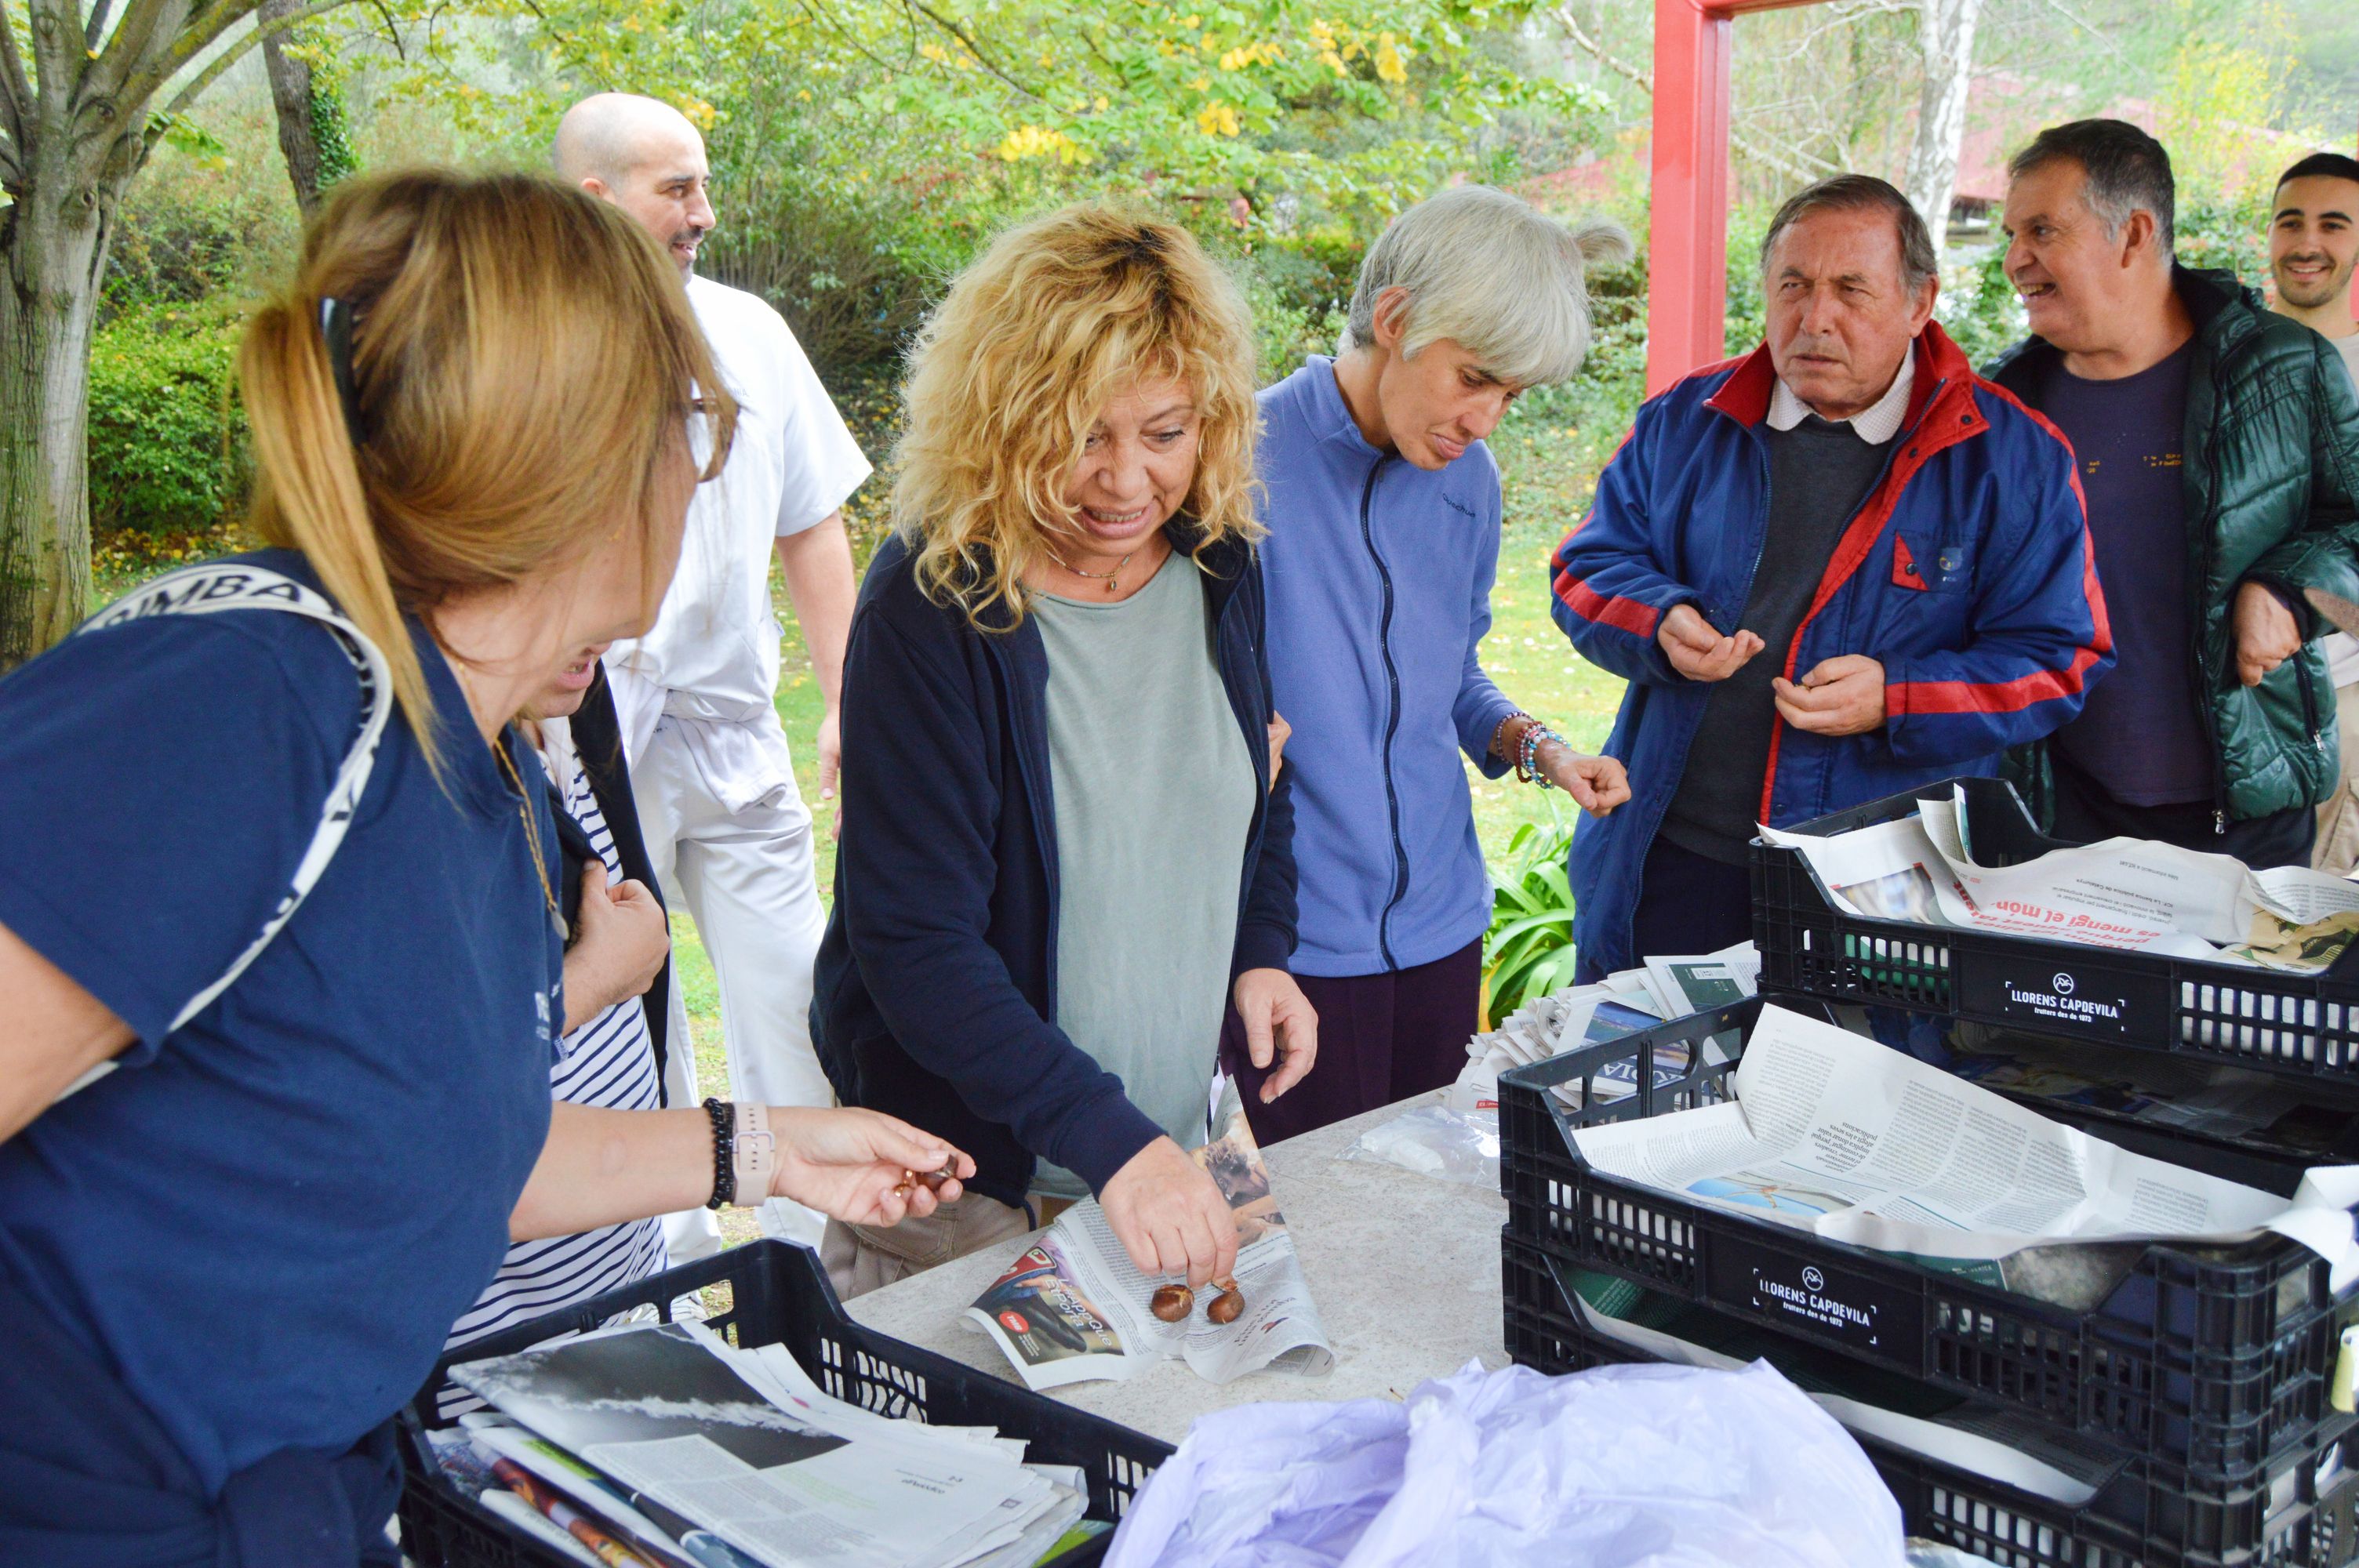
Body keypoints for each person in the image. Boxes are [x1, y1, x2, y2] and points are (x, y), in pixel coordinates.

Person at [0, 169, 970, 1567]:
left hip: (304, 1500)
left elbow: (439, 1153)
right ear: (593, 455)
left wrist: (759, 1146)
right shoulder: (251, 699)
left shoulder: (486, 751)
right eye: (692, 432)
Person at [811, 206, 1318, 1298]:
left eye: (1166, 433)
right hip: (972, 1186)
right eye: (1082, 433)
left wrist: (1262, 949)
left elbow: (1255, 774)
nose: (1127, 482)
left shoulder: (1220, 560)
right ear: (1002, 418)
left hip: (1163, 1150)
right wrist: (1110, 1138)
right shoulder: (933, 600)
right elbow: (914, 944)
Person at [1554, 174, 2110, 978]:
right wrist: (1658, 621)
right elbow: (1584, 567)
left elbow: (2061, 659)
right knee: (1648, 1082)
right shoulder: (1685, 420)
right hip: (1668, 856)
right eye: (1793, 286)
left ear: (1920, 302)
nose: (1814, 318)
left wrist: (1898, 696)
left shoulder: (2009, 456)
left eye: (1851, 289)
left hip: (1878, 885)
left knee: (1845, 1095)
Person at [1238, 185, 1632, 1143]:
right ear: (1395, 319)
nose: (1486, 420)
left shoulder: (1471, 483)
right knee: (1309, 1238)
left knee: (1425, 1224)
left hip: (1442, 936)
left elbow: (1447, 676)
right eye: (1474, 378)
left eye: (1513, 395)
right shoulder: (1229, 456)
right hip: (1288, 948)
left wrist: (1537, 747)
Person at [554, 93, 871, 1251]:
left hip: (734, 737)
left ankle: (819, 1269)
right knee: (631, 1019)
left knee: (798, 995)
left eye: (702, 185)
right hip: (585, 743)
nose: (704, 212)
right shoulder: (533, 345)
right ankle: (669, 1275)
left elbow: (815, 527)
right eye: (676, 188)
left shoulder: (752, 332)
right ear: (597, 199)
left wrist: (846, 701)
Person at [1986, 121, 2359, 867]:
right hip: (2060, 806)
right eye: (2011, 234)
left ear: (2134, 234)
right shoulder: (2005, 399)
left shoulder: (2286, 366)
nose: (2014, 261)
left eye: (2042, 230)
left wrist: (2289, 590)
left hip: (2248, 807)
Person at [445, 648, 676, 1353]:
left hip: (625, 1275)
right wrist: (598, 980)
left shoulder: (573, 701)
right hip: (487, 1341)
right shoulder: (422, 777)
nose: (612, 631)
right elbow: (432, 1086)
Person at [2263, 152, 2359, 870]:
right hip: (2228, 696)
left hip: (2342, 696)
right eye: (2290, 221)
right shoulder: (2225, 359)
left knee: (2304, 931)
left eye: (2334, 224)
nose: (2307, 242)